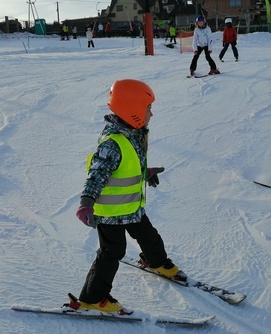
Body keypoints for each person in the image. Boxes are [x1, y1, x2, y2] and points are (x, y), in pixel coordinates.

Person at [71, 79, 185, 314]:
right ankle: (93, 297)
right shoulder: (112, 144)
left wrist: (146, 173)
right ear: (132, 110)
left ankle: (155, 262)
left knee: (149, 237)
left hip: (131, 207)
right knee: (112, 252)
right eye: (148, 108)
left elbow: (127, 165)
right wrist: (85, 204)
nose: (151, 114)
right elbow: (97, 175)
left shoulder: (132, 134)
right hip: (110, 213)